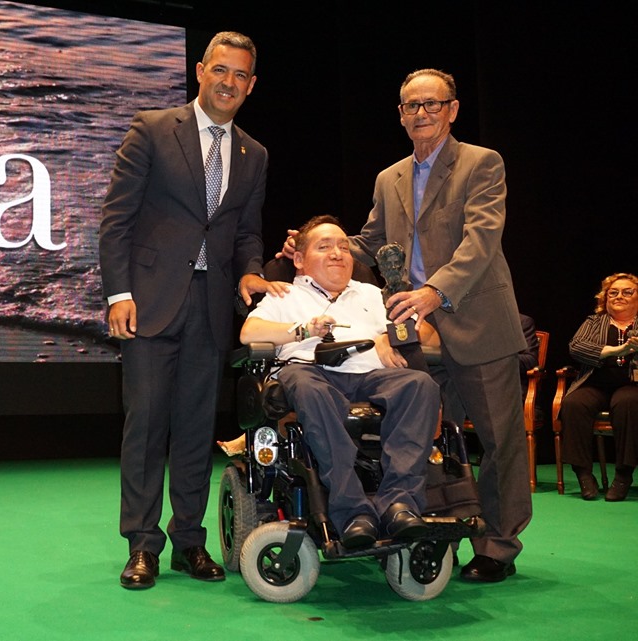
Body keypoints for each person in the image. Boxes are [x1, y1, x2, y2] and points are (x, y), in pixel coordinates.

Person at [98, 31, 281, 590]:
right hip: (150, 303)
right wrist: (118, 294)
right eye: (220, 70)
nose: (229, 82)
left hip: (210, 307)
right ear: (201, 71)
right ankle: (142, 544)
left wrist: (251, 269)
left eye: (240, 75)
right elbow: (116, 220)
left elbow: (246, 232)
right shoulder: (153, 129)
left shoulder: (254, 154)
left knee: (197, 429)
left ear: (252, 85)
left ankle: (188, 543)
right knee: (147, 426)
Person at [345, 68, 531, 583]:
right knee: (423, 441)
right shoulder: (389, 178)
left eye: (432, 103)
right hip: (416, 335)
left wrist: (434, 292)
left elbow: (481, 240)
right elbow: (368, 243)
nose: (422, 113)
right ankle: (435, 532)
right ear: (401, 114)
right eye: (412, 105)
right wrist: (321, 245)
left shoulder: (481, 163)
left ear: (452, 110)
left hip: (477, 323)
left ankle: (497, 546)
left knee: (498, 442)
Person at [240, 216, 440, 548]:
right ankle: (352, 511)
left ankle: (399, 504)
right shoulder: (285, 294)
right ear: (299, 260)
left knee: (420, 384)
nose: (337, 253)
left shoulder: (372, 293)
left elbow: (429, 336)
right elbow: (249, 333)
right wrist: (303, 330)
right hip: (311, 371)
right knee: (307, 385)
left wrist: (389, 337)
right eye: (324, 246)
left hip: (371, 376)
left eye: (344, 247)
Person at [558, 273, 638, 501]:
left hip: (632, 384)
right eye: (613, 292)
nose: (619, 296)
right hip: (596, 382)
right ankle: (584, 474)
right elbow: (576, 347)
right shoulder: (594, 322)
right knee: (574, 403)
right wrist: (616, 351)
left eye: (627, 292)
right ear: (605, 298)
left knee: (628, 402)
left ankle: (623, 475)